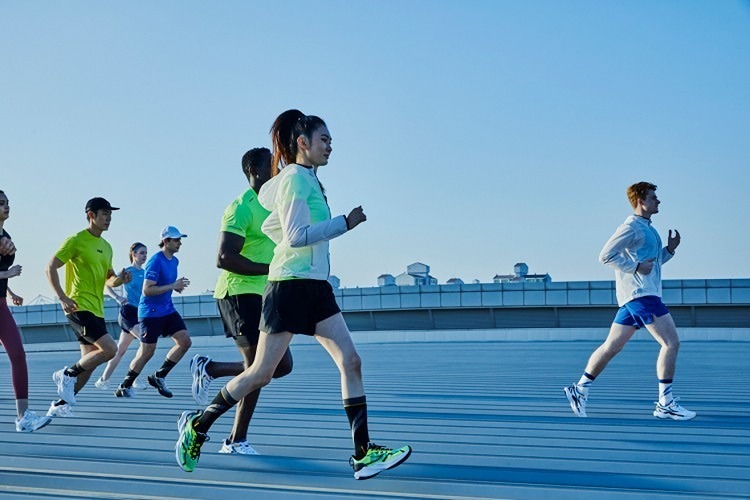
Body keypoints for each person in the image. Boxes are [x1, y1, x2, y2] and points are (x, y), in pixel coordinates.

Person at [175, 110, 412, 479]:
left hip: (314, 286)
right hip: (288, 287)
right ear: (303, 143)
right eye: (324, 140)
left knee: (352, 361)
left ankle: (363, 452)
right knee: (260, 373)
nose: (330, 146)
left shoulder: (305, 180)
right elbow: (297, 236)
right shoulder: (296, 180)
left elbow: (275, 225)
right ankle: (199, 427)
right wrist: (344, 223)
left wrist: (290, 240)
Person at [190, 147, 293, 455]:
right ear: (255, 172)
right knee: (256, 369)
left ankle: (212, 368)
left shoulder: (278, 205)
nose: (277, 172)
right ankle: (235, 439)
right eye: (272, 168)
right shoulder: (240, 208)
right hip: (237, 293)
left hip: (265, 293)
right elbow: (224, 258)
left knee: (281, 365)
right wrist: (272, 268)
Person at [564, 182, 696, 420]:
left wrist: (669, 251)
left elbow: (650, 266)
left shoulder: (648, 229)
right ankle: (665, 403)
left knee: (611, 347)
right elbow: (606, 256)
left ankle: (580, 389)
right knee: (671, 343)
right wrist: (635, 266)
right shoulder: (631, 227)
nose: (659, 201)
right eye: (654, 197)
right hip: (643, 296)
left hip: (635, 297)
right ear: (640, 201)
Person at [46, 197, 132, 417]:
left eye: (110, 214)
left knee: (90, 361)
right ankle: (66, 373)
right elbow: (50, 268)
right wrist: (63, 297)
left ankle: (61, 404)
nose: (108, 218)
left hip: (97, 308)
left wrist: (121, 279)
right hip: (78, 305)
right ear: (91, 215)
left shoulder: (106, 247)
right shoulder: (76, 240)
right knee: (110, 349)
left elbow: (109, 279)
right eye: (104, 213)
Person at [114, 226, 191, 398]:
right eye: (176, 239)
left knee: (185, 341)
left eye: (180, 239)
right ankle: (125, 385)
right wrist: (172, 286)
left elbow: (163, 286)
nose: (179, 243)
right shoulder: (155, 261)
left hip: (167, 309)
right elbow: (147, 290)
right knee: (147, 352)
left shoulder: (174, 261)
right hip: (150, 312)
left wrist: (174, 288)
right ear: (166, 241)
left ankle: (159, 376)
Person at [0, 190, 52, 432]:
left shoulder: (6, 236)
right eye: (1, 204)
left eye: (8, 203)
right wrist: (6, 274)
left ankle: (23, 417)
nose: (6, 207)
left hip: (1, 304)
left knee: (18, 355)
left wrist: (10, 291)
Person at [95, 242, 148, 391]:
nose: (145, 256)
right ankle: (134, 378)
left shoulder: (145, 273)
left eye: (146, 253)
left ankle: (103, 379)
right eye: (142, 253)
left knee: (120, 350)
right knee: (146, 341)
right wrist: (118, 298)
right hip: (128, 313)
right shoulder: (127, 272)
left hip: (139, 314)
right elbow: (107, 285)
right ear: (134, 254)